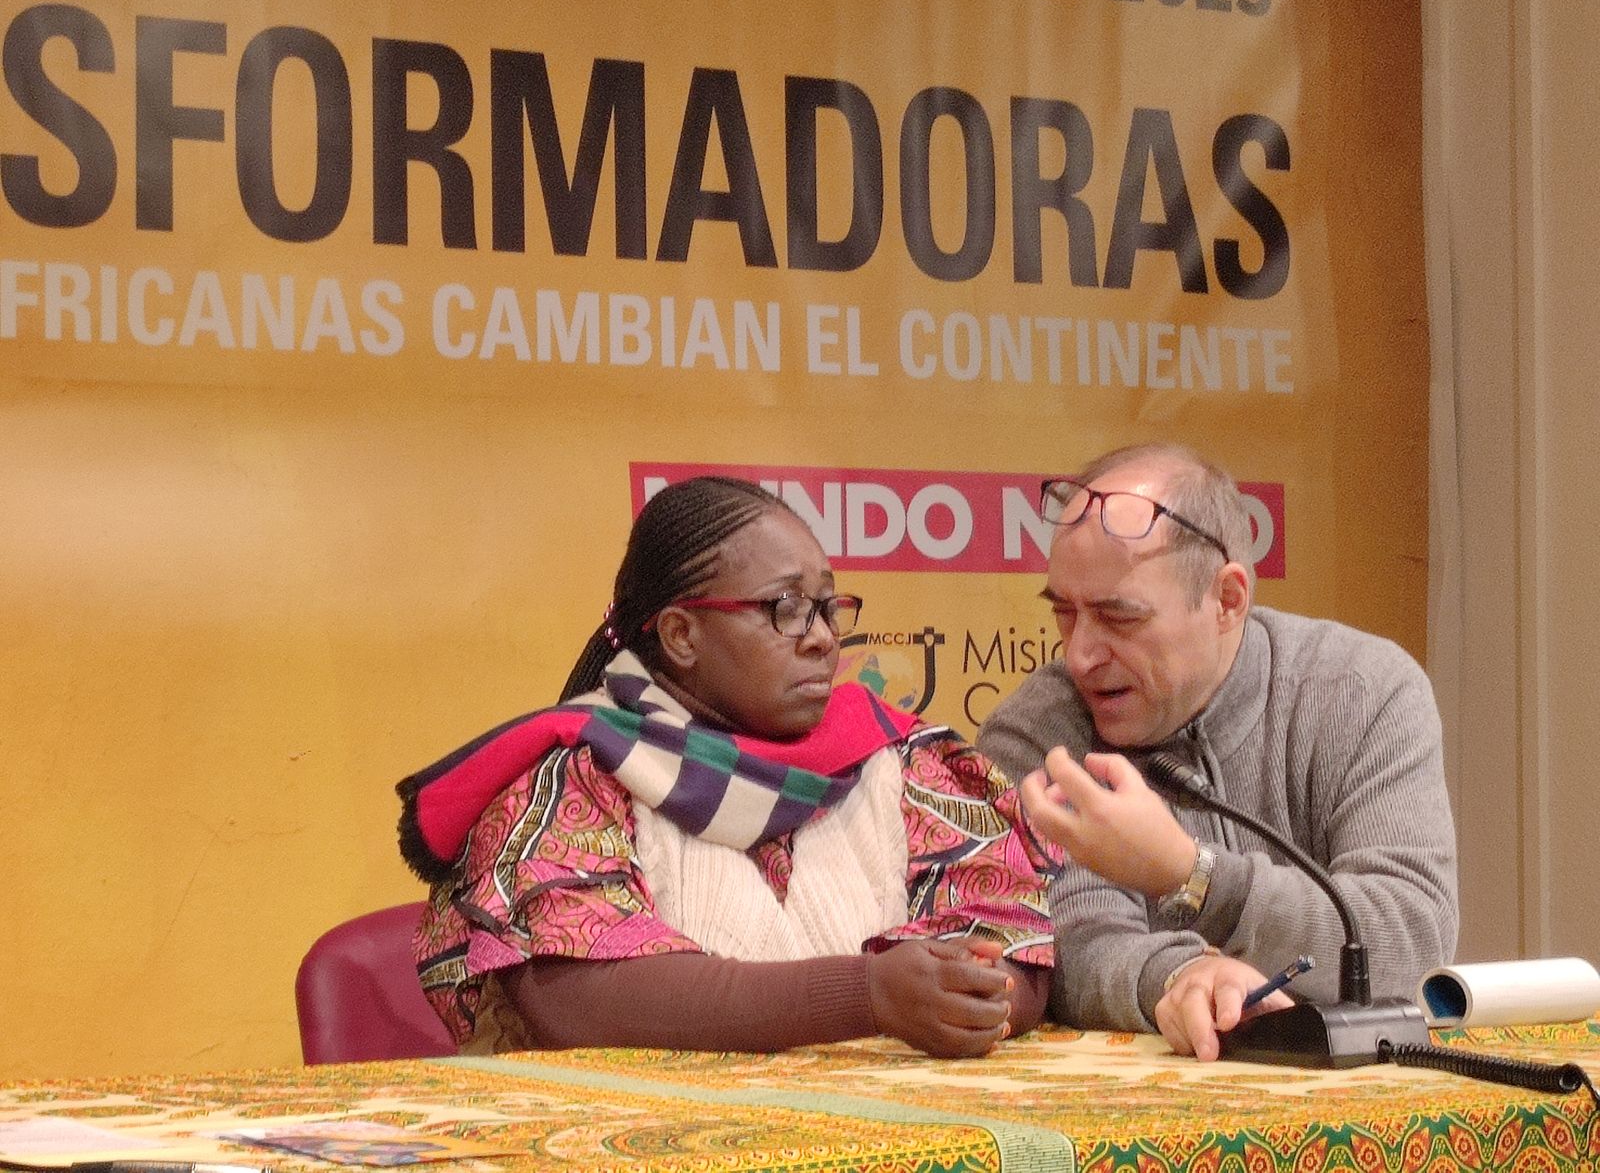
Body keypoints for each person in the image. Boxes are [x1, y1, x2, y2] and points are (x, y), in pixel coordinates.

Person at [397, 475, 1059, 1058]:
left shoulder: (907, 762)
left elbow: (1014, 944)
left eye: (827, 607)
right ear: (681, 635)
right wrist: (866, 994)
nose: (822, 637)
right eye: (784, 608)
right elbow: (577, 995)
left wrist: (964, 995)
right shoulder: (580, 775)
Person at [976, 442, 1458, 1061]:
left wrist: (1191, 875)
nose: (1081, 654)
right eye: (1066, 613)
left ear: (1228, 600)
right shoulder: (1036, 733)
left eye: (1119, 618)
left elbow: (1412, 942)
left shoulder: (1362, 691)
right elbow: (1065, 946)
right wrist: (1181, 977)